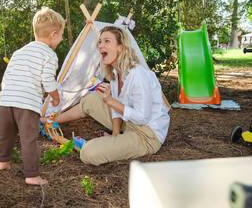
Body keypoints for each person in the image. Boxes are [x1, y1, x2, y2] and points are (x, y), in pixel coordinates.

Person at [51, 26, 170, 166]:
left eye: (107, 41)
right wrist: (115, 134)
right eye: (100, 42)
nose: (101, 45)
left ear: (121, 47)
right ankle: (53, 120)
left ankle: (118, 143)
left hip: (147, 135)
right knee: (92, 99)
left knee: (88, 152)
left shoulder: (138, 75)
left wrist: (110, 101)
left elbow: (142, 117)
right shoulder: (114, 73)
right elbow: (116, 108)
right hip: (130, 124)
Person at [0, 7, 64, 185]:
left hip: (6, 100)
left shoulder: (18, 52)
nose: (62, 39)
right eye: (61, 35)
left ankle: (3, 161)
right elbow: (48, 80)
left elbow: (6, 77)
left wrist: (6, 95)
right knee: (29, 139)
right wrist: (55, 96)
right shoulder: (49, 54)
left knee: (6, 134)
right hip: (27, 104)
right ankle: (32, 175)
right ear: (54, 34)